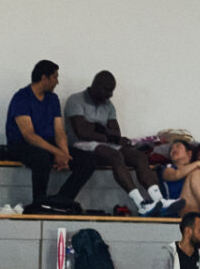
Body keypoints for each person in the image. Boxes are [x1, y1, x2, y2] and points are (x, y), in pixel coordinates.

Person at [64, 71, 171, 216]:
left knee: (139, 157)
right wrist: (106, 133)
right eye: (107, 90)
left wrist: (96, 128)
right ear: (96, 86)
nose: (110, 95)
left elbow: (116, 133)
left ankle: (159, 200)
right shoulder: (76, 100)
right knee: (115, 156)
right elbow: (82, 132)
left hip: (105, 145)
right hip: (81, 145)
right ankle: (141, 203)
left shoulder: (108, 105)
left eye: (112, 90)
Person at [6, 60, 96, 210]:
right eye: (55, 77)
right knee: (41, 158)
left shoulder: (53, 99)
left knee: (89, 160)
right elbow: (29, 135)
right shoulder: (21, 98)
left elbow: (59, 132)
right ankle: (39, 201)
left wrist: (65, 155)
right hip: (22, 144)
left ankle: (62, 199)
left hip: (47, 143)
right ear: (44, 78)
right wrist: (56, 152)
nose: (57, 82)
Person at [157, 139, 200, 219]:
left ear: (189, 153)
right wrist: (198, 163)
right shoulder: (168, 168)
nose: (174, 150)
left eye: (178, 147)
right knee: (196, 171)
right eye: (171, 149)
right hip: (182, 209)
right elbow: (175, 175)